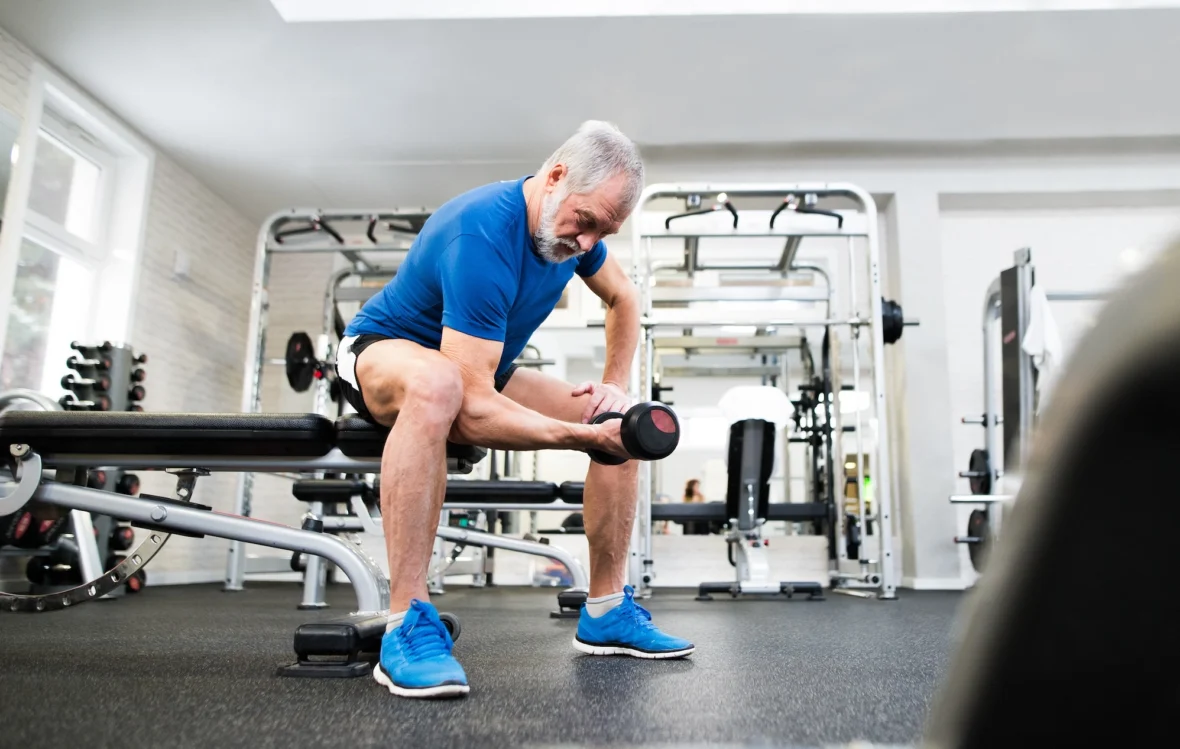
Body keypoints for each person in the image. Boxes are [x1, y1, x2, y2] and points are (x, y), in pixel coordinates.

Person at [334, 120, 694, 700]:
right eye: (586, 223)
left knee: (617, 425)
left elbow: (625, 297)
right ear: (555, 177)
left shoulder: (576, 231)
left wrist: (613, 389)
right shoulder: (480, 234)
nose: (585, 244)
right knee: (437, 386)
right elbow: (472, 411)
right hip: (382, 351)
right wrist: (577, 441)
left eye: (602, 232)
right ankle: (406, 622)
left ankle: (604, 610)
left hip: (474, 368)